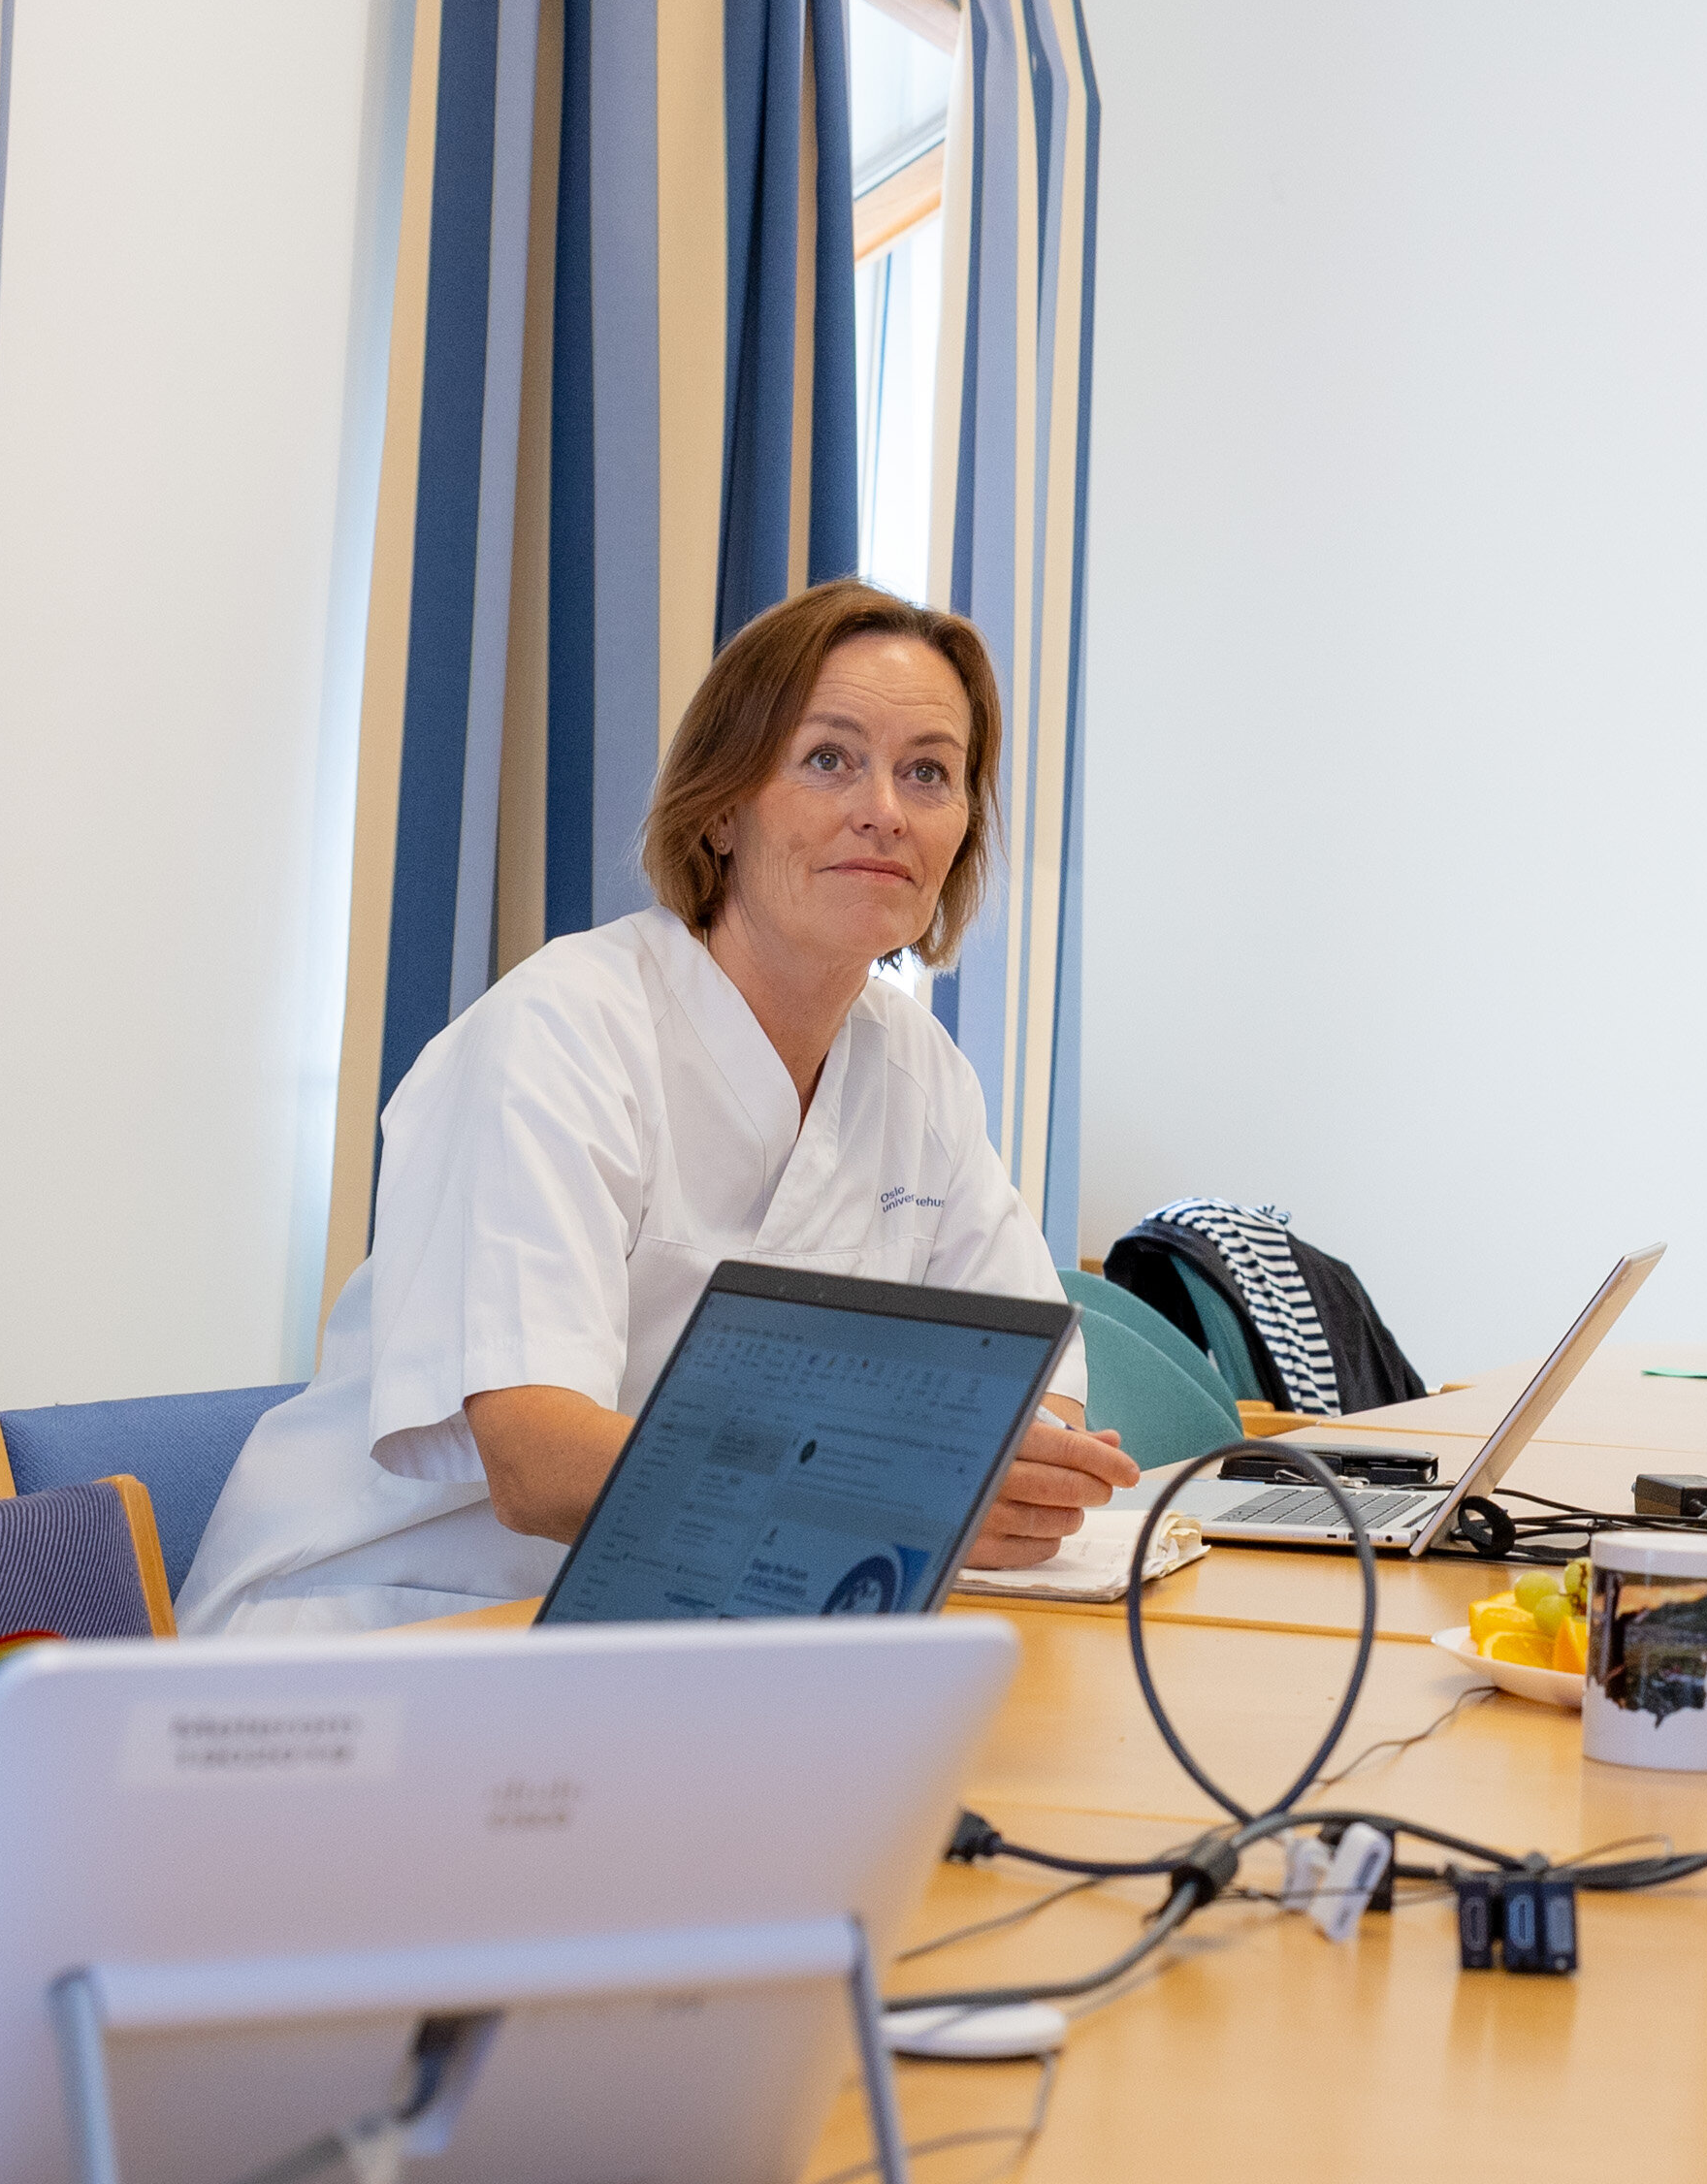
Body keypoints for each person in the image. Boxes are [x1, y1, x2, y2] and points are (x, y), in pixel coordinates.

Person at [185, 581, 1130, 1632]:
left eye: (929, 772)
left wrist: (1021, 1472)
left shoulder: (918, 1070)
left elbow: (1034, 1380)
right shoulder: (561, 1033)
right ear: (720, 807)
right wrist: (883, 1485)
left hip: (691, 1619)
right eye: (829, 758)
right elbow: (538, 1462)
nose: (886, 809)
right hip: (390, 1628)